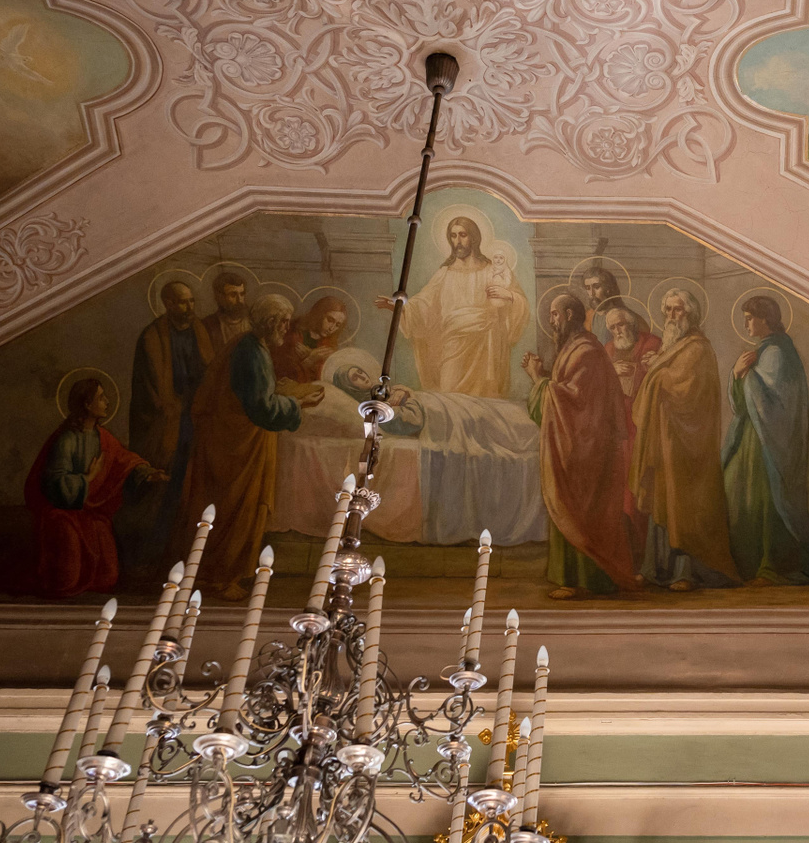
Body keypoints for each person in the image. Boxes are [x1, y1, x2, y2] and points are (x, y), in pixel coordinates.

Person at [179, 294, 323, 600]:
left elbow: (254, 394)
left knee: (233, 508)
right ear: (271, 322)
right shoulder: (252, 352)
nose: (287, 328)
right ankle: (219, 578)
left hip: (236, 440)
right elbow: (261, 409)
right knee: (236, 507)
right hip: (236, 447)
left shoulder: (249, 345)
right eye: (284, 322)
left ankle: (219, 574)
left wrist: (286, 393)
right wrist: (298, 403)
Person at [525, 291, 640, 598]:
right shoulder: (574, 348)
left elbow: (574, 401)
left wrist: (537, 380)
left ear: (569, 316)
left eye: (555, 314)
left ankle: (585, 580)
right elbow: (565, 393)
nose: (551, 321)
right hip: (577, 444)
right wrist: (543, 379)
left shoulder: (586, 352)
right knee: (573, 507)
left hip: (589, 449)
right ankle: (574, 579)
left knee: (581, 509)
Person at [630, 288, 743, 591]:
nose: (670, 316)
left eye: (677, 310)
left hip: (689, 444)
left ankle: (684, 573)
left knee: (683, 507)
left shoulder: (697, 348)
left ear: (690, 314)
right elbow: (666, 378)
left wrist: (655, 369)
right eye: (667, 310)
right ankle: (653, 568)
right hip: (665, 440)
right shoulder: (675, 346)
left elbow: (683, 388)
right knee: (660, 502)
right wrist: (657, 365)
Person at [25, 378, 167, 599]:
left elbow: (124, 460)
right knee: (66, 579)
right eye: (101, 397)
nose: (107, 402)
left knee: (108, 577)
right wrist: (88, 478)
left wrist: (147, 474)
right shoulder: (67, 439)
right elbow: (54, 482)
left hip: (91, 514)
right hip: (63, 514)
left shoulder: (103, 437)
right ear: (87, 404)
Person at [723, 296, 809, 586]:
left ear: (766, 319)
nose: (746, 324)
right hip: (754, 436)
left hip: (768, 443)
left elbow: (773, 404)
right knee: (739, 493)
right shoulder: (765, 350)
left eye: (750, 318)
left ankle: (771, 566)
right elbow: (743, 405)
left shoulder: (777, 352)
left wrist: (743, 374)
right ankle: (747, 564)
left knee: (765, 500)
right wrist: (737, 375)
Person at [122, 280, 217, 571]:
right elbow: (153, 390)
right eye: (183, 302)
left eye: (191, 301)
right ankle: (149, 552)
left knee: (191, 481)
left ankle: (185, 547)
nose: (189, 307)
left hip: (194, 416)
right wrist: (175, 408)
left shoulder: (198, 330)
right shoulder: (152, 337)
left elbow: (209, 369)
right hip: (164, 421)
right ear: (168, 304)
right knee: (163, 485)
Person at [379, 216, 528, 397]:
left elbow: (521, 302)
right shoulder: (444, 273)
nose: (457, 241)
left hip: (486, 346)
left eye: (463, 235)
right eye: (453, 235)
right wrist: (401, 309)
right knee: (449, 393)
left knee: (484, 401)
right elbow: (423, 303)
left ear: (474, 237)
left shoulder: (493, 271)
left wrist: (509, 295)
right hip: (453, 344)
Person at [603, 303, 662, 562]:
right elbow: (598, 385)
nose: (618, 331)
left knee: (640, 490)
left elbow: (662, 378)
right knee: (619, 491)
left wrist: (649, 368)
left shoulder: (652, 344)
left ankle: (644, 556)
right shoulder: (608, 350)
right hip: (618, 429)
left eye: (622, 325)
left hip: (645, 427)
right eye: (613, 327)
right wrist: (611, 373)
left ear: (633, 325)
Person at [273, 294, 349, 383]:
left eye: (337, 325)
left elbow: (326, 377)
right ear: (319, 314)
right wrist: (310, 360)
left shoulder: (329, 345)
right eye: (330, 320)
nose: (331, 328)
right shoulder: (292, 332)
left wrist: (310, 355)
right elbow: (280, 374)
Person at [199, 272, 253, 353]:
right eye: (233, 295)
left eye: (242, 294)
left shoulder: (253, 321)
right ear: (219, 297)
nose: (240, 300)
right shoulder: (207, 325)